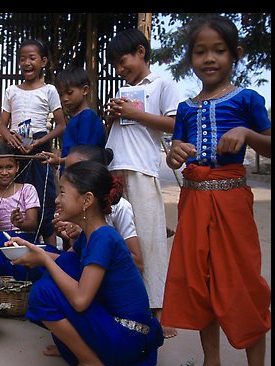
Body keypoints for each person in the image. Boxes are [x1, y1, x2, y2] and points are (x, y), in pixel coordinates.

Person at [161, 15, 271, 366]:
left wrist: (246, 133)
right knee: (200, 283)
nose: (209, 58)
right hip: (193, 202)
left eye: (219, 51)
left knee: (242, 283)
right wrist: (174, 154)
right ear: (190, 58)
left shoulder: (249, 100)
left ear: (235, 54)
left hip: (231, 202)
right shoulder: (187, 109)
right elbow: (175, 150)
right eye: (200, 52)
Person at [5, 160, 164, 366]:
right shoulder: (90, 235)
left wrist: (43, 258)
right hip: (119, 333)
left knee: (43, 293)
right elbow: (63, 262)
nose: (56, 199)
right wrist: (29, 253)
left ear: (87, 200)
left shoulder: (104, 238)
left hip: (128, 340)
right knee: (62, 267)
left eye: (62, 193)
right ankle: (79, 349)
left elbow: (80, 300)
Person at [103, 28, 181, 338]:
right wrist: (113, 116)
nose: (121, 70)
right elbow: (115, 132)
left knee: (150, 241)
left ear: (141, 52)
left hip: (143, 171)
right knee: (120, 239)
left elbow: (175, 123)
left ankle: (159, 312)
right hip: (114, 169)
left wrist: (136, 112)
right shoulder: (123, 91)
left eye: (124, 62)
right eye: (117, 66)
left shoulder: (163, 85)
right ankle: (124, 306)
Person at [0, 38, 66, 247]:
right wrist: (10, 137)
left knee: (44, 197)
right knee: (17, 197)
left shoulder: (49, 90)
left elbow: (61, 125)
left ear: (43, 61)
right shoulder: (11, 91)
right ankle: (18, 246)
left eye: (32, 58)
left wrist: (38, 143)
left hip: (39, 151)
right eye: (22, 58)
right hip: (16, 150)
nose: (27, 62)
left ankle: (51, 254)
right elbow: (2, 125)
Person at [51, 145, 143, 273]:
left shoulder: (119, 209)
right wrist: (67, 237)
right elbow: (72, 258)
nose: (68, 176)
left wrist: (86, 234)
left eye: (77, 170)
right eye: (67, 169)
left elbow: (138, 263)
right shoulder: (73, 207)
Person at [0, 143, 53, 282]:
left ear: (17, 167)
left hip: (26, 241)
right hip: (3, 243)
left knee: (32, 265)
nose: (4, 172)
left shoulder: (27, 189)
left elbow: (33, 224)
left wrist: (21, 223)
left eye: (9, 167)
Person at [43, 66, 105, 175]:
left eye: (69, 92)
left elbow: (84, 157)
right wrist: (60, 154)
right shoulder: (76, 118)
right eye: (61, 94)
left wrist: (59, 161)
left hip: (81, 179)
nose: (64, 98)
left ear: (85, 90)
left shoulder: (87, 118)